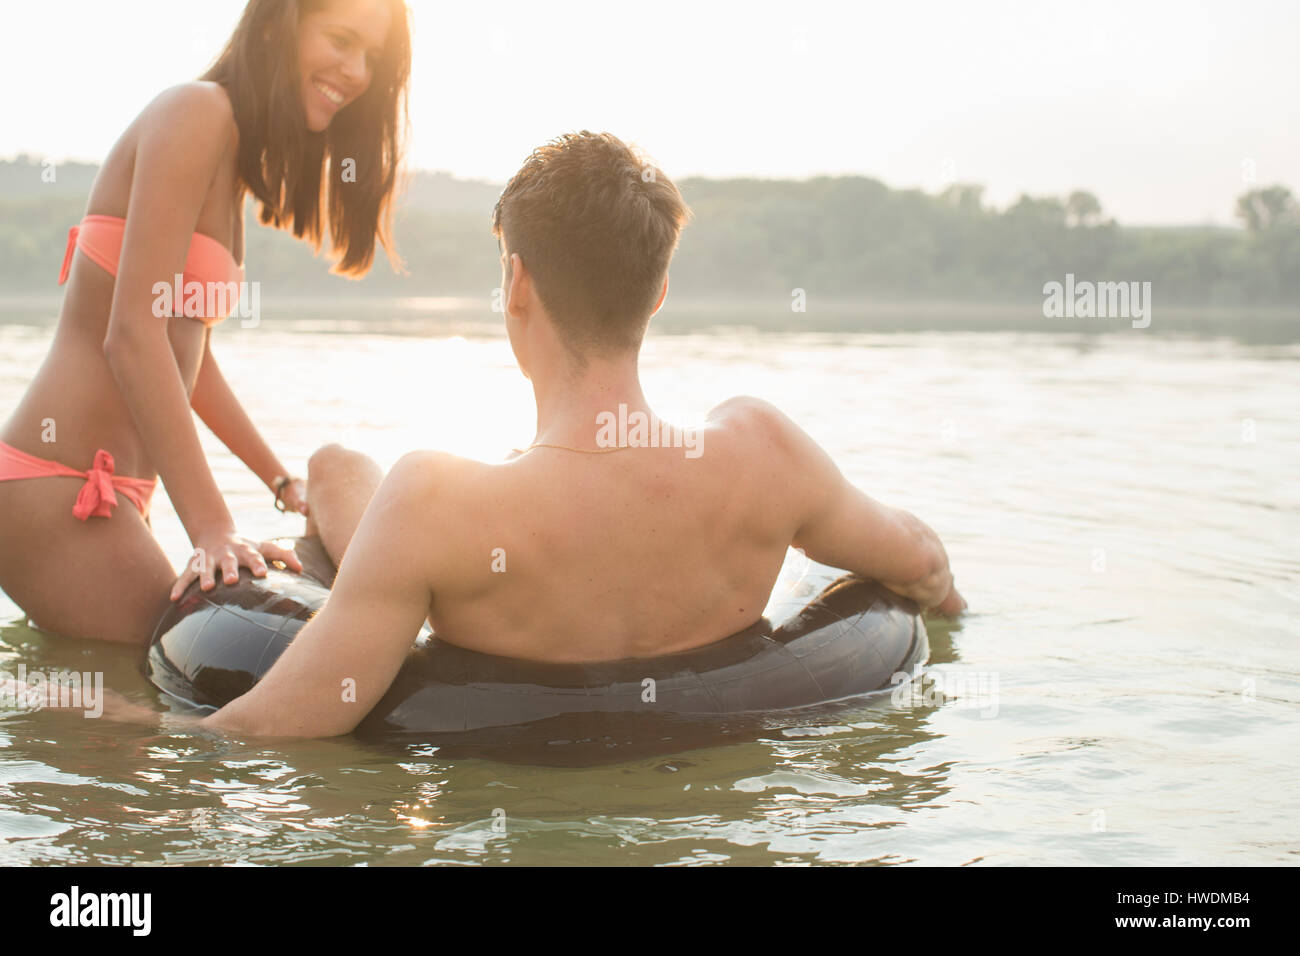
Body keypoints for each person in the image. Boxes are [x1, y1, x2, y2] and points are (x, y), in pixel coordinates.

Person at [197, 131, 966, 738]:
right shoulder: (761, 453)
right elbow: (922, 563)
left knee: (339, 469)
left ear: (517, 283)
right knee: (336, 470)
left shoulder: (435, 506)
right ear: (658, 291)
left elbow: (275, 726)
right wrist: (948, 609)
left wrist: (135, 726)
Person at [0, 0, 412, 643]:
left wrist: (281, 482)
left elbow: (189, 361)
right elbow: (132, 336)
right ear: (280, 21)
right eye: (341, 38)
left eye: (372, 58)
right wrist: (213, 530)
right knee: (164, 705)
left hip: (110, 497)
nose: (356, 70)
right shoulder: (196, 112)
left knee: (116, 717)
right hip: (56, 489)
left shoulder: (230, 153)